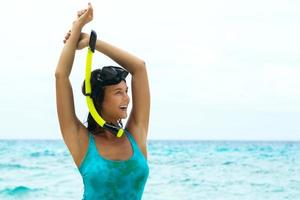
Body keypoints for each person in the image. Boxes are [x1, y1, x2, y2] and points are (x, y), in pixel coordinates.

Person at [55, 3, 150, 199]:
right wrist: (76, 31)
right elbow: (61, 76)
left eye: (126, 90)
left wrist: (93, 42)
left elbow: (139, 68)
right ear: (98, 100)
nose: (127, 98)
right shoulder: (81, 140)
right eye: (118, 92)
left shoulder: (136, 134)